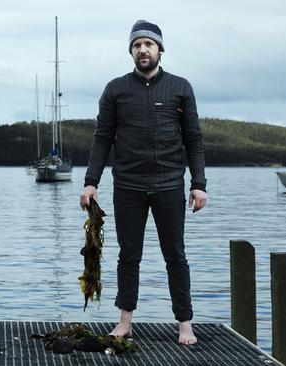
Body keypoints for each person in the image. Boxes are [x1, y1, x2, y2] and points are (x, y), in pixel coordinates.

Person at [80, 19, 207, 345]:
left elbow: (193, 138)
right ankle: (125, 322)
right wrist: (91, 181)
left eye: (148, 44)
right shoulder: (116, 89)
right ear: (131, 51)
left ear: (160, 49)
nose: (143, 50)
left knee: (175, 255)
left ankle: (185, 324)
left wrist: (199, 183)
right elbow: (102, 138)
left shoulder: (180, 87)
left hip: (168, 185)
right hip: (128, 185)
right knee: (128, 255)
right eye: (137, 45)